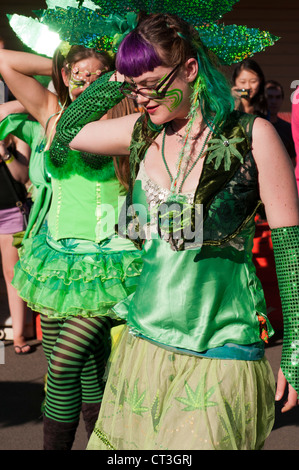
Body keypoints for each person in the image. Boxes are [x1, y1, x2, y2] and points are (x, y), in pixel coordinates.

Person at [51, 11, 299, 450]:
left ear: (189, 68)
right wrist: (121, 74)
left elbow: (290, 248)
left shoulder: (252, 136)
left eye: (151, 83)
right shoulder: (142, 132)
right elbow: (68, 130)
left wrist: (297, 347)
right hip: (144, 343)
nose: (142, 98)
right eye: (134, 88)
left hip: (221, 350)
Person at [0, 40, 142, 450]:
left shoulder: (128, 118)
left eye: (97, 74)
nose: (86, 81)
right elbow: (6, 61)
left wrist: (110, 73)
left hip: (112, 261)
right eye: (77, 75)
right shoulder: (50, 113)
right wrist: (67, 63)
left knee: (63, 365)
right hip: (57, 260)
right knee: (82, 372)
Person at [0, 127, 31, 354]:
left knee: (13, 275)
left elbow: (23, 177)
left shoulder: (18, 134)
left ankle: (18, 334)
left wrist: (5, 154)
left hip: (10, 214)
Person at [265, 80, 296, 167]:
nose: (274, 101)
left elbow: (292, 162)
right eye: (270, 97)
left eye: (278, 97)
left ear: (282, 99)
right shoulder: (255, 125)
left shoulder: (288, 128)